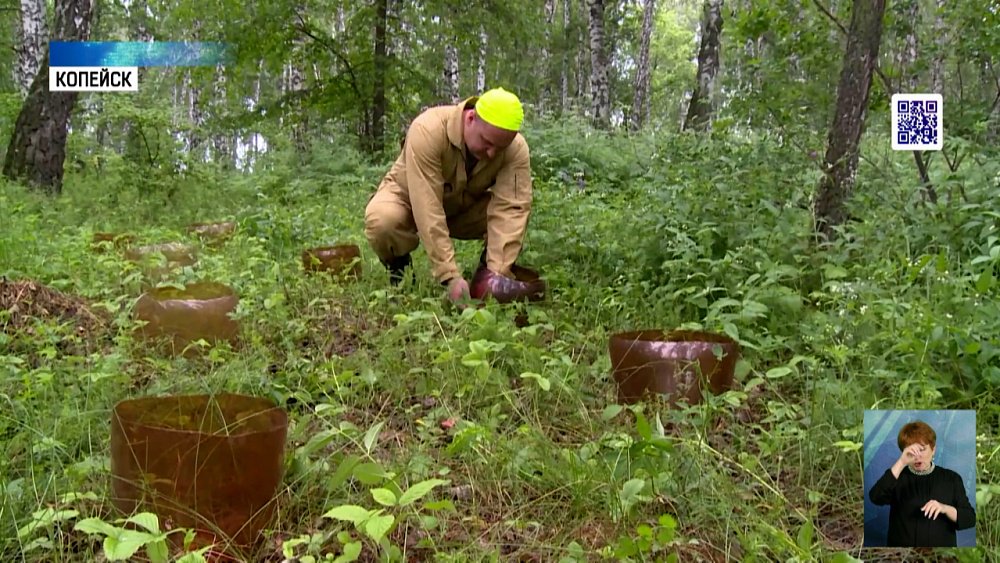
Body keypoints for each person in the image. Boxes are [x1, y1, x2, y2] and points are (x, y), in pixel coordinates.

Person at [364, 87, 533, 305]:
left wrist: (496, 276)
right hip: (409, 200)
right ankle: (401, 273)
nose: (492, 154)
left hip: (462, 207)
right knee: (382, 221)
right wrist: (449, 276)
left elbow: (513, 208)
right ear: (471, 118)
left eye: (500, 148)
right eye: (487, 142)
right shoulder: (428, 130)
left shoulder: (515, 149)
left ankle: (485, 279)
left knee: (510, 221)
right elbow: (427, 206)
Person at [868, 420, 976, 547]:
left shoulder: (952, 478)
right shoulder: (897, 476)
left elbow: (970, 519)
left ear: (933, 449)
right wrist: (902, 462)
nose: (917, 456)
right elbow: (875, 497)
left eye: (922, 449)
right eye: (911, 451)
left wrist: (944, 508)